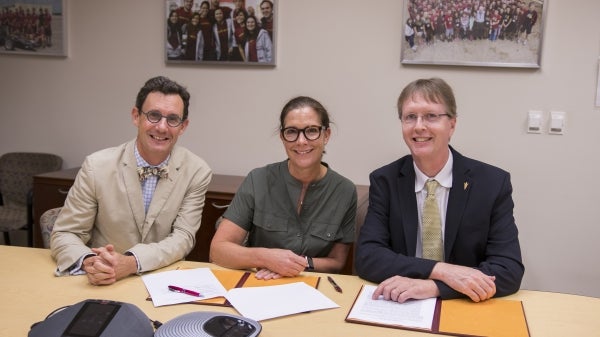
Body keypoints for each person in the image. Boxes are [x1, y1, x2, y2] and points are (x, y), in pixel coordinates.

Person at [355, 78, 524, 303]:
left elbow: (508, 269)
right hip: (401, 306)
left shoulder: (492, 183)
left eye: (431, 116)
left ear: (452, 124)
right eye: (410, 117)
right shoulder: (385, 180)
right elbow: (368, 257)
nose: (419, 126)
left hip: (465, 306)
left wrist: (434, 287)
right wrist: (442, 270)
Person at [50, 76, 213, 285]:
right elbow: (66, 232)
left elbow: (183, 238)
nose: (162, 127)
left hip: (162, 280)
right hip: (101, 280)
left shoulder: (197, 171)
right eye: (153, 116)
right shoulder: (96, 166)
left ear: (183, 126)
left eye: (172, 119)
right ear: (136, 116)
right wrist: (91, 262)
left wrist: (131, 263)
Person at [210, 96, 357, 280]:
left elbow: (337, 262)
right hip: (259, 283)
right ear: (282, 137)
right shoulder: (258, 179)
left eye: (311, 131)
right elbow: (218, 250)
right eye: (291, 132)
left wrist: (295, 264)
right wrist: (266, 258)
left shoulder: (344, 190)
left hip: (310, 286)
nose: (301, 141)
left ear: (326, 135)